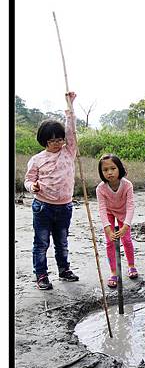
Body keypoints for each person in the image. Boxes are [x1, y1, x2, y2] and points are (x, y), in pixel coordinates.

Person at [24, 92, 79, 290]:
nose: (57, 143)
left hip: (65, 206)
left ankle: (64, 270)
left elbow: (71, 131)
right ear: (44, 141)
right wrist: (33, 187)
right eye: (52, 141)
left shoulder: (68, 151)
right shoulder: (37, 159)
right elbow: (28, 180)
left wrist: (69, 106)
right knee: (41, 243)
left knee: (62, 242)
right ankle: (41, 275)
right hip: (43, 206)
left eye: (59, 139)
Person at [96, 154, 137, 287]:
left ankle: (131, 266)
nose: (109, 172)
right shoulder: (100, 188)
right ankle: (114, 272)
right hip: (108, 212)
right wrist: (107, 228)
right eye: (105, 170)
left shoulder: (127, 185)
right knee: (110, 242)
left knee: (126, 239)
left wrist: (126, 226)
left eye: (113, 168)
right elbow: (101, 209)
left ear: (119, 168)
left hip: (123, 212)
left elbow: (131, 206)